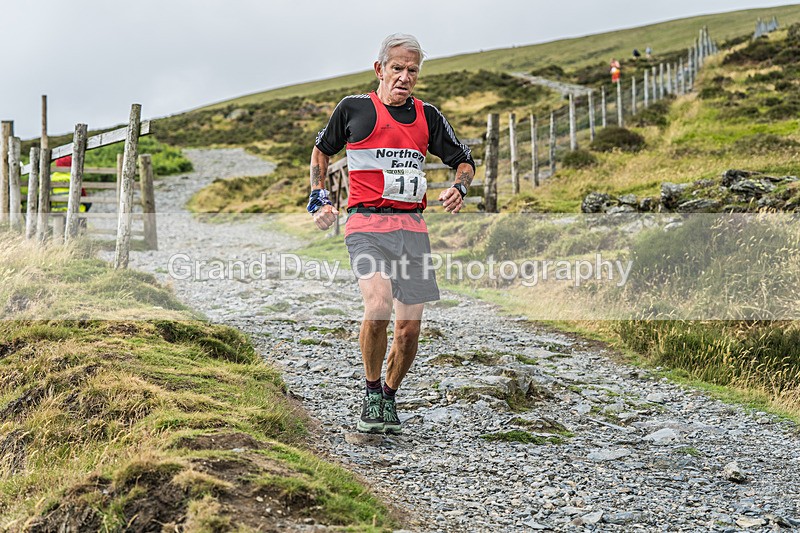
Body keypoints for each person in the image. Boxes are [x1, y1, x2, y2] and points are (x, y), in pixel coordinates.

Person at [309, 33, 475, 434]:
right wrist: (320, 197)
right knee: (379, 304)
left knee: (410, 328)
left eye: (412, 70)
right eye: (397, 68)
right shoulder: (354, 109)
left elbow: (464, 161)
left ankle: (388, 395)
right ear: (379, 69)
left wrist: (460, 187)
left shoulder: (428, 116)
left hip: (412, 229)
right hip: (366, 224)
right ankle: (370, 392)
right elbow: (321, 150)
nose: (404, 77)